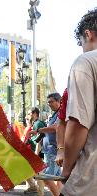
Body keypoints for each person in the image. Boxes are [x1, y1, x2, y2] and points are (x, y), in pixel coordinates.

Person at [61, 8, 97, 196]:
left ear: (88, 34)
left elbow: (78, 124)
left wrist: (67, 168)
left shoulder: (86, 62)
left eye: (82, 43)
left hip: (89, 182)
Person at [29, 93, 62, 196]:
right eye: (48, 102)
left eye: (51, 101)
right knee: (58, 177)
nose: (49, 104)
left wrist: (38, 130)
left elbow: (55, 127)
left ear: (59, 101)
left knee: (46, 178)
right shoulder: (55, 114)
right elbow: (49, 130)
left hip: (53, 150)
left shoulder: (61, 113)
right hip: (49, 150)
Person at [25, 107, 46, 195]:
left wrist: (36, 154)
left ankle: (40, 193)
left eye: (30, 114)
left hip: (38, 153)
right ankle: (32, 187)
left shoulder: (38, 123)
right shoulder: (35, 124)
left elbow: (40, 139)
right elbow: (34, 138)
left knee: (39, 174)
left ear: (34, 114)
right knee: (26, 170)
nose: (28, 116)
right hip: (35, 152)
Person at [55, 88, 67, 167]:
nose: (49, 104)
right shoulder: (69, 91)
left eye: (51, 101)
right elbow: (60, 123)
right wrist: (60, 150)